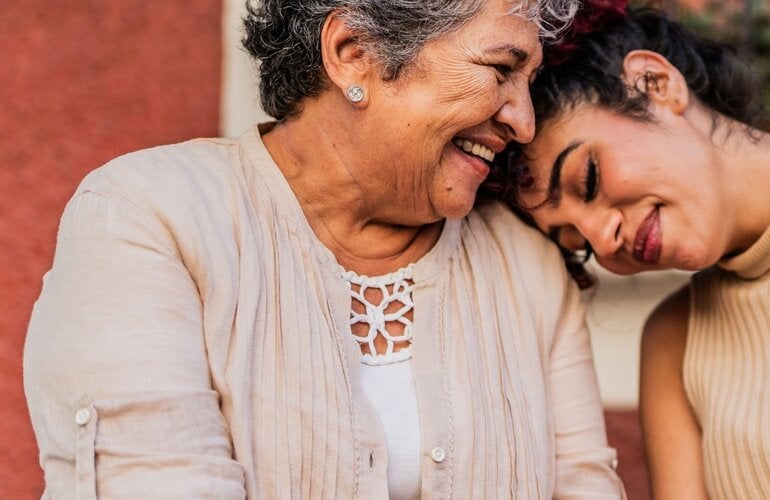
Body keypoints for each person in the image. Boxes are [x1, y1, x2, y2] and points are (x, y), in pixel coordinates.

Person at [23, 0, 626, 498]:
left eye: (530, 82)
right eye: (500, 70)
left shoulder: (525, 267)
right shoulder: (151, 216)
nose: (522, 121)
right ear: (353, 54)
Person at [499, 1, 770, 498]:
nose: (604, 242)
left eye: (588, 179)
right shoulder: (676, 342)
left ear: (653, 82)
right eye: (576, 243)